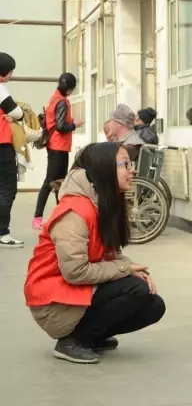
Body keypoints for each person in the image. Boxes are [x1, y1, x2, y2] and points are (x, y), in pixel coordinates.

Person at [24, 142, 166, 364]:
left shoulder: (102, 203)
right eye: (125, 164)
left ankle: (92, 336)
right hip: (53, 303)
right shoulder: (75, 212)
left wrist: (135, 269)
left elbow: (110, 253)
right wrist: (125, 269)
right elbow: (75, 271)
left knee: (154, 305)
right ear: (103, 169)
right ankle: (73, 341)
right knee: (135, 288)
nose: (133, 170)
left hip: (75, 292)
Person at [32, 73, 84, 230]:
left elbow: (55, 122)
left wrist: (70, 121)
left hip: (55, 145)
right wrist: (74, 125)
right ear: (70, 89)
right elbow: (61, 126)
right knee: (51, 182)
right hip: (58, 146)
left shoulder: (54, 98)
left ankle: (60, 215)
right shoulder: (62, 102)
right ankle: (37, 218)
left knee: (59, 182)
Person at [0, 52, 24, 247]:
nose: (11, 75)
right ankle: (3, 233)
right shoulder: (0, 89)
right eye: (10, 72)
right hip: (2, 145)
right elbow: (17, 112)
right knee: (8, 189)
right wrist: (17, 115)